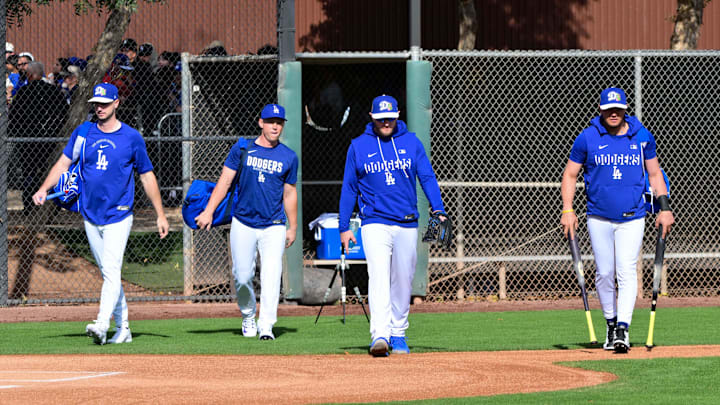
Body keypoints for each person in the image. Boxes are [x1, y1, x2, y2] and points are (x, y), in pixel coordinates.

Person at [32, 83, 169, 345]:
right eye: (96, 103)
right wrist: (43, 188)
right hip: (90, 214)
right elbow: (64, 163)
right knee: (109, 273)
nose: (100, 107)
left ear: (117, 103)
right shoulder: (83, 132)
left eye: (105, 103)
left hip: (119, 213)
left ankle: (102, 323)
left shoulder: (131, 137)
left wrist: (160, 214)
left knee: (111, 270)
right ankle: (124, 328)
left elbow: (147, 176)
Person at [560, 87, 675, 354]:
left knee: (625, 270)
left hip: (633, 216)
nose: (614, 113)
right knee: (604, 273)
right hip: (598, 216)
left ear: (625, 110)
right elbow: (570, 175)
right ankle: (611, 325)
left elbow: (655, 174)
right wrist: (568, 210)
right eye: (608, 109)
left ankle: (623, 328)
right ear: (600, 111)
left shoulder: (641, 135)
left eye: (618, 109)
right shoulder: (587, 138)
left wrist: (664, 207)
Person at [338, 95, 447, 356]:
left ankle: (398, 332)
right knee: (378, 277)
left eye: (389, 117)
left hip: (407, 222)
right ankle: (380, 335)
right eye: (380, 118)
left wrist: (438, 208)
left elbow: (427, 176)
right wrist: (344, 226)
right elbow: (349, 188)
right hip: (374, 222)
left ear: (398, 115)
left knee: (403, 280)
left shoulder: (411, 142)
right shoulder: (358, 146)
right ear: (372, 117)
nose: (385, 122)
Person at [195, 104, 298, 341]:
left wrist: (292, 227)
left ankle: (267, 326)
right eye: (270, 121)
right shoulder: (243, 149)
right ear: (260, 122)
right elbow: (225, 181)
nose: (275, 126)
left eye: (279, 122)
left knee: (272, 275)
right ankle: (248, 315)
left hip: (274, 224)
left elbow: (290, 193)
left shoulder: (289, 156)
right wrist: (209, 210)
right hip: (243, 222)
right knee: (242, 276)